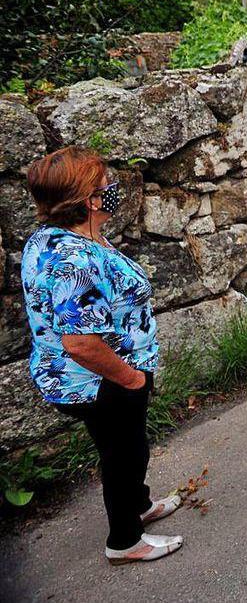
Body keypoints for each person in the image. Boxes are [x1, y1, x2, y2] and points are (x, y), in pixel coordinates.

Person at [22, 147, 182, 564]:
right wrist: (130, 378)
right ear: (90, 200)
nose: (113, 190)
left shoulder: (61, 236)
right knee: (123, 455)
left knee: (128, 447)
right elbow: (80, 343)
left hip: (87, 376)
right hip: (99, 380)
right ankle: (125, 541)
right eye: (105, 186)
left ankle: (139, 506)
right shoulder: (74, 258)